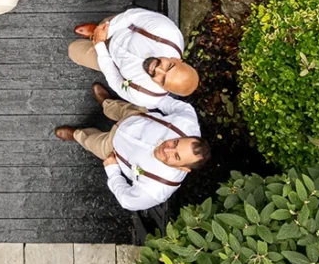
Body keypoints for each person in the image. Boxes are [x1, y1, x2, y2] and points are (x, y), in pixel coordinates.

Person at [55, 83, 210, 211]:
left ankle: (77, 134)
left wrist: (113, 171)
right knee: (119, 107)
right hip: (134, 117)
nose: (167, 149)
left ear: (183, 169)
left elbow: (127, 201)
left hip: (114, 151)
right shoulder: (186, 122)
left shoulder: (157, 189)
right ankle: (107, 103)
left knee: (91, 142)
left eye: (176, 156)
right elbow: (166, 103)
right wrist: (146, 98)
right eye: (175, 142)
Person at [68, 7, 199, 109]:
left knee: (73, 50)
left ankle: (95, 37)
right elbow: (132, 16)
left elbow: (115, 81)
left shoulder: (146, 97)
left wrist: (100, 47)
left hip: (110, 60)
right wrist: (105, 33)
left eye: (163, 79)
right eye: (169, 66)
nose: (158, 69)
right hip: (119, 30)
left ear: (166, 90)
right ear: (178, 60)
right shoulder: (168, 33)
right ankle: (96, 29)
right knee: (106, 22)